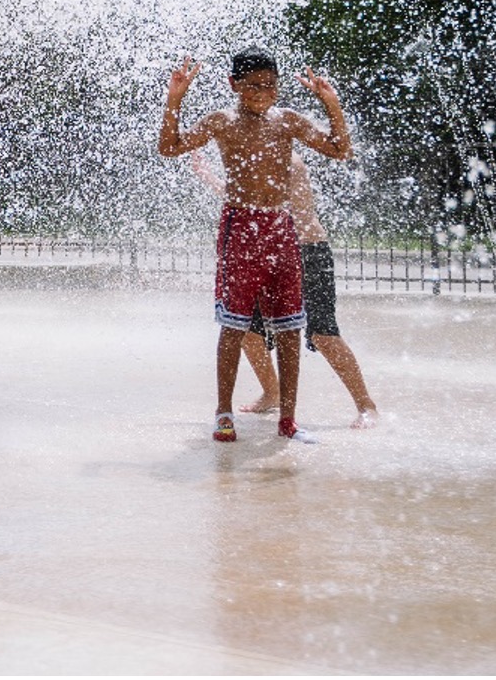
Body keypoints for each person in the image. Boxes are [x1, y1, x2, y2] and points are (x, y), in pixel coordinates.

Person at [159, 47, 351, 443]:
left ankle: (289, 420)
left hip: (282, 228)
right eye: (253, 85)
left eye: (270, 85)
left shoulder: (288, 122)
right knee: (234, 325)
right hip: (241, 227)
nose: (262, 92)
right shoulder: (222, 122)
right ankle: (223, 412)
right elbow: (170, 147)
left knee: (290, 328)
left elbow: (338, 149)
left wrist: (331, 104)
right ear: (234, 85)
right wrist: (175, 98)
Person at [190, 146, 378, 427]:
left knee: (322, 334)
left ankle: (366, 405)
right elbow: (241, 201)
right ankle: (272, 392)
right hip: (263, 252)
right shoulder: (249, 154)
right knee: (245, 331)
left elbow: (282, 211)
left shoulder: (288, 158)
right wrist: (211, 178)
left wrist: (214, 180)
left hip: (305, 251)